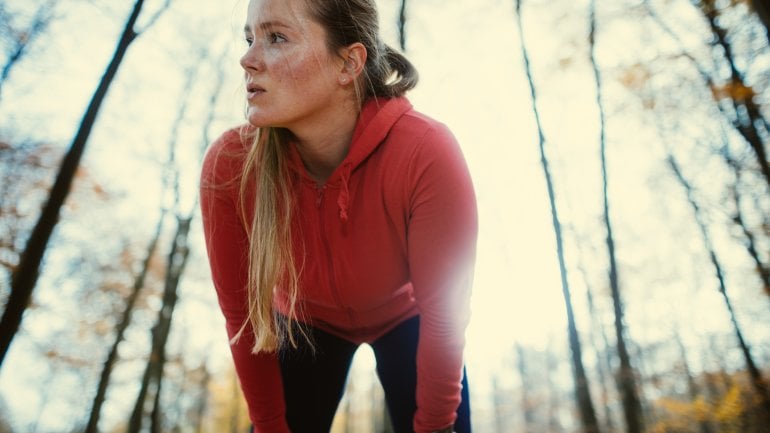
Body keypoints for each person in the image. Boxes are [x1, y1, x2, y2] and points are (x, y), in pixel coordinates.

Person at [199, 0, 477, 432]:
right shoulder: (231, 165)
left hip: (409, 317)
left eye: (276, 37)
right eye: (249, 38)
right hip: (303, 322)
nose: (247, 59)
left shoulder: (425, 150)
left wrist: (437, 426)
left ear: (348, 63)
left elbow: (445, 315)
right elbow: (245, 319)